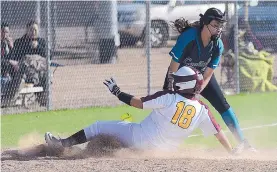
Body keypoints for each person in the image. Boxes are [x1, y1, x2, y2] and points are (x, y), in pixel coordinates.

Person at [45, 66, 234, 154]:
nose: (174, 81)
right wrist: (231, 151)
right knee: (124, 126)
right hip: (164, 152)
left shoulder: (169, 97)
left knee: (98, 126)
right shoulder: (202, 109)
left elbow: (137, 103)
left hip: (141, 138)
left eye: (177, 80)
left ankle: (63, 144)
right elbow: (218, 133)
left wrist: (117, 92)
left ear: (184, 85)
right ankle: (110, 148)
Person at [163, 7, 255, 152]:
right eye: (215, 25)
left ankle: (244, 143)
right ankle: (158, 141)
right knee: (167, 107)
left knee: (222, 104)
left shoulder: (217, 44)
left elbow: (208, 74)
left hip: (200, 77)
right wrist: (170, 87)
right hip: (179, 77)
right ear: (205, 23)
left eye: (220, 26)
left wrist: (197, 90)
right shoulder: (189, 36)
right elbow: (173, 66)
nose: (218, 29)